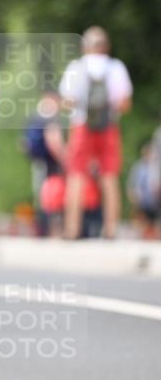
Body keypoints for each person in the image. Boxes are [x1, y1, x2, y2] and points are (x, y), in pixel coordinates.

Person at [58, 26, 132, 239]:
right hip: (108, 126)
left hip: (81, 126)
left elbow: (66, 101)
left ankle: (72, 229)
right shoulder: (115, 67)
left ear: (85, 47)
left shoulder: (77, 67)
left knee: (76, 175)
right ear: (106, 47)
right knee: (109, 176)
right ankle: (111, 229)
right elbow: (125, 103)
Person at [22, 91, 65, 236]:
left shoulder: (36, 116)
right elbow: (54, 141)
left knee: (40, 194)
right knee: (52, 197)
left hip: (38, 161)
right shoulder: (51, 117)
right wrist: (65, 160)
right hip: (50, 164)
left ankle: (41, 228)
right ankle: (50, 230)